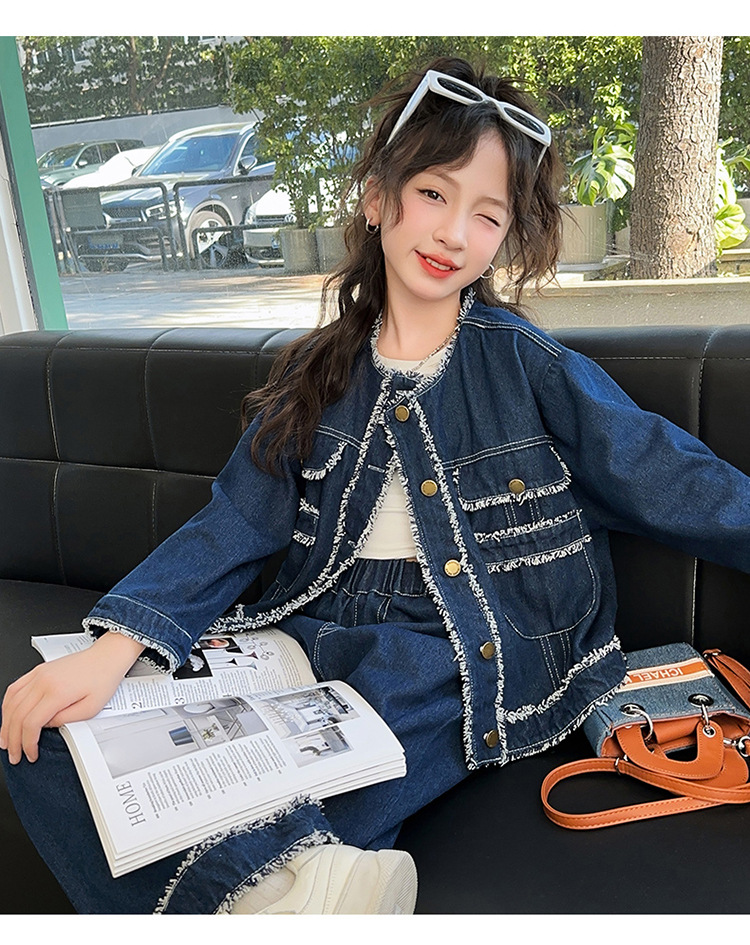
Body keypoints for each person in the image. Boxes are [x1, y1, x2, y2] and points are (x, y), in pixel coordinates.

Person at [3, 55, 750, 915]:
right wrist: (115, 647)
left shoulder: (526, 364)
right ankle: (304, 887)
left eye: (487, 214)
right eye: (433, 193)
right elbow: (236, 522)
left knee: (305, 771)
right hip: (310, 631)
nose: (453, 232)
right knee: (40, 738)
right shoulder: (314, 376)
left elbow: (667, 474)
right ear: (376, 197)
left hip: (460, 644)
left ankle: (287, 884)